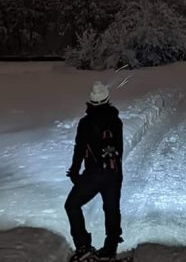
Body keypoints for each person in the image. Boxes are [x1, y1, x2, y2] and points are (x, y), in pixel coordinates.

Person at [65, 81, 124, 262]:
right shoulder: (116, 120)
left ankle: (83, 246)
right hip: (114, 173)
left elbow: (80, 148)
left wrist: (75, 171)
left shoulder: (86, 123)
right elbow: (119, 149)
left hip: (94, 174)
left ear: (90, 102)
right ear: (107, 99)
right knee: (112, 209)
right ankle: (110, 249)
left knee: (72, 205)